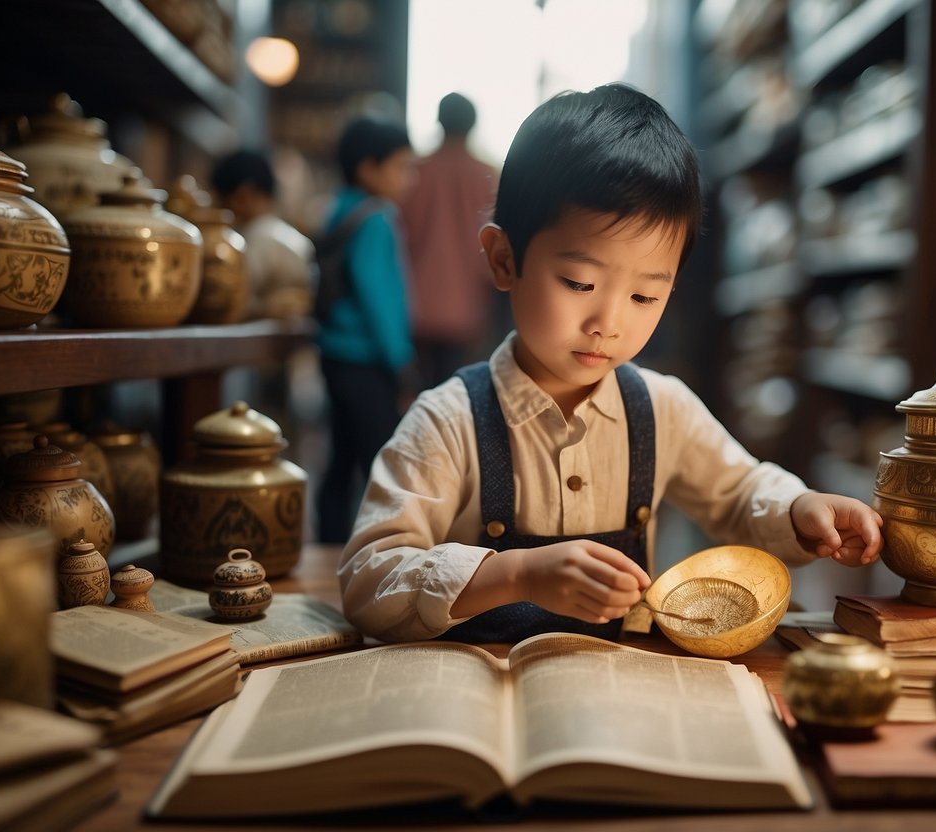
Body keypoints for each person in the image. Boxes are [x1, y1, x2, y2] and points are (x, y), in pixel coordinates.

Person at [338, 84, 882, 644]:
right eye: (579, 282)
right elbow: (367, 579)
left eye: (644, 297)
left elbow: (740, 492)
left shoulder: (660, 407)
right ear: (504, 259)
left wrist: (799, 507)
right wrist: (516, 574)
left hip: (615, 694)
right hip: (475, 699)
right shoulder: (447, 421)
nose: (608, 322)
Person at [315, 116, 419, 544]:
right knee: (380, 460)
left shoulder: (340, 206)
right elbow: (381, 299)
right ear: (367, 169)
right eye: (401, 168)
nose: (407, 180)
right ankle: (376, 550)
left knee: (340, 457)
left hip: (335, 352)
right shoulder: (378, 217)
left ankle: (328, 542)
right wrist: (402, 362)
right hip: (366, 358)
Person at [399, 92, 500, 387]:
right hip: (467, 306)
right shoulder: (486, 175)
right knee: (456, 390)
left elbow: (402, 234)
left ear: (439, 121)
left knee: (417, 390)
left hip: (415, 302)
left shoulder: (415, 171)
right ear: (472, 125)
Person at [209, 149, 315, 320]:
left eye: (220, 200)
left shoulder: (252, 241)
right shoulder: (299, 239)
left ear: (242, 196)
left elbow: (231, 304)